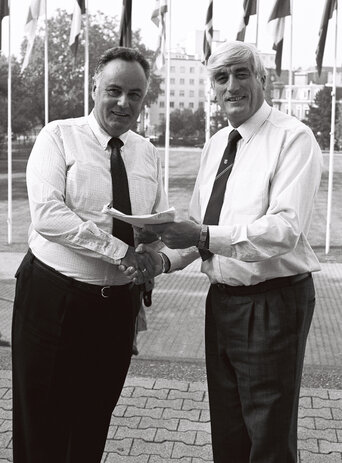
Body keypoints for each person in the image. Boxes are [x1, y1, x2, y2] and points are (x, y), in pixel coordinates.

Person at [127, 41, 323, 463]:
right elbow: (201, 228)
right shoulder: (217, 143)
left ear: (262, 80)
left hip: (274, 301)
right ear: (211, 89)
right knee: (229, 429)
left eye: (241, 74)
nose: (231, 86)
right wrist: (160, 261)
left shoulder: (293, 138)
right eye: (221, 78)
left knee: (267, 435)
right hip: (223, 303)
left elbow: (282, 231)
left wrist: (198, 237)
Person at [11, 46, 167, 463]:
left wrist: (149, 258)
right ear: (94, 88)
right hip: (53, 300)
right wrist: (120, 252)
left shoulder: (147, 152)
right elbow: (48, 215)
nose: (123, 102)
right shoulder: (58, 135)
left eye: (135, 94)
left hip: (115, 310)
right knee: (42, 426)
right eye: (114, 90)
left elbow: (152, 223)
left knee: (92, 422)